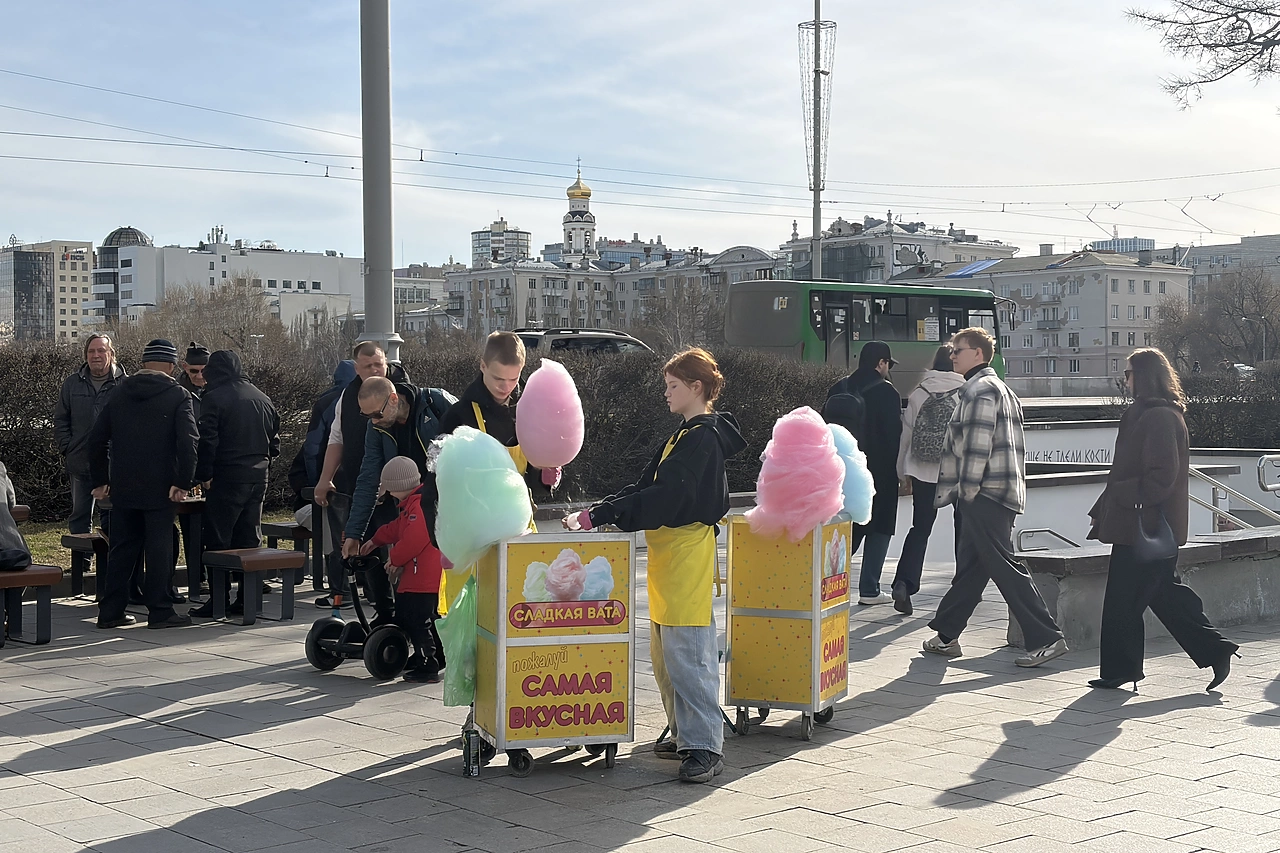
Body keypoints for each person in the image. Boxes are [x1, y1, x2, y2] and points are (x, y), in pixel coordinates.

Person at [568, 348, 746, 784]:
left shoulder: (701, 438)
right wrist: (605, 509)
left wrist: (607, 515)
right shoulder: (683, 436)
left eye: (673, 386)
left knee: (688, 655)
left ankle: (705, 744)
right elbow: (647, 486)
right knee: (668, 655)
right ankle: (687, 733)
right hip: (671, 557)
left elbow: (665, 497)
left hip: (686, 556)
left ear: (696, 388)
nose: (665, 394)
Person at [1087, 349, 1240, 692]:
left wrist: (1124, 494)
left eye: (1128, 373)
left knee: (1126, 600)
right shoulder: (1147, 413)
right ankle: (1213, 650)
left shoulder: (1159, 417)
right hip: (1144, 524)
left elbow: (1162, 476)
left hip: (1146, 523)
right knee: (1160, 594)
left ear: (1143, 375)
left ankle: (1123, 669)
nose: (1124, 380)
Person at [923, 327, 1068, 667]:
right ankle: (946, 634)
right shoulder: (998, 388)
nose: (952, 355)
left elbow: (977, 445)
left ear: (977, 353)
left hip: (983, 492)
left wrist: (968, 491)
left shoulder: (980, 390)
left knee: (1003, 565)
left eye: (958, 350)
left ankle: (1046, 638)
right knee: (974, 566)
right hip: (998, 491)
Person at [88, 339, 197, 629]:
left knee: (122, 549)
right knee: (159, 547)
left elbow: (96, 440)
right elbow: (188, 442)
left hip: (124, 486)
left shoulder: (119, 392)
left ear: (143, 363)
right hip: (162, 487)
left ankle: (110, 611)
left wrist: (100, 480)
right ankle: (160, 610)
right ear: (172, 366)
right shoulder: (178, 395)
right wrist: (182, 481)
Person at [341, 374, 455, 627]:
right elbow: (368, 478)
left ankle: (436, 631)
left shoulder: (435, 403)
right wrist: (354, 533)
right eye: (366, 416)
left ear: (393, 400)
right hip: (410, 504)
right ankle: (391, 616)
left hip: (446, 503)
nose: (373, 421)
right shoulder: (378, 427)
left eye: (376, 414)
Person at [189, 350, 281, 618]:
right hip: (258, 476)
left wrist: (203, 474)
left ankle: (218, 601)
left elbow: (208, 441)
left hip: (227, 477)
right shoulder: (262, 397)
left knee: (218, 540)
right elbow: (274, 442)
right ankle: (247, 598)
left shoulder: (215, 398)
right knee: (249, 538)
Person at [889, 344, 965, 615]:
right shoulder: (967, 391)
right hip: (957, 472)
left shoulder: (919, 392)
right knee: (963, 529)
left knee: (920, 529)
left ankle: (903, 583)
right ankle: (962, 586)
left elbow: (906, 436)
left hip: (923, 470)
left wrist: (903, 472)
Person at [438, 331, 562, 495]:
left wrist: (546, 475)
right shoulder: (459, 417)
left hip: (521, 517)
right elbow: (439, 485)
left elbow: (536, 484)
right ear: (483, 366)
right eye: (498, 379)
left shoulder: (532, 411)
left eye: (513, 379)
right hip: (476, 518)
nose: (505, 387)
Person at [827, 340, 902, 606]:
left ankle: (825, 581)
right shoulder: (887, 392)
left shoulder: (839, 387)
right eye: (887, 364)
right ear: (881, 363)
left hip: (842, 471)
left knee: (846, 527)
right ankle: (870, 589)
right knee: (880, 527)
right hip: (879, 470)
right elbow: (895, 437)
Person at [313, 343, 388, 608]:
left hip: (395, 492)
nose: (374, 369)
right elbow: (337, 438)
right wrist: (325, 478)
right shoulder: (347, 396)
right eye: (367, 366)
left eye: (378, 363)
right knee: (355, 544)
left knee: (389, 549)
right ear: (356, 368)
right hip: (357, 484)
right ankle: (367, 600)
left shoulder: (399, 391)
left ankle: (391, 603)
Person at [360, 456, 446, 683]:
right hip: (423, 575)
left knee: (415, 620)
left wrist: (395, 558)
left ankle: (428, 663)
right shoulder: (413, 504)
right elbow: (397, 528)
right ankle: (434, 655)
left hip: (422, 577)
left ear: (395, 486)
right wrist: (376, 540)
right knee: (427, 618)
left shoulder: (418, 506)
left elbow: (415, 538)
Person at [54, 332, 126, 536]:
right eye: (91, 351)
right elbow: (61, 419)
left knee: (112, 515)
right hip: (80, 460)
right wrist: (67, 447)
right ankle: (81, 565)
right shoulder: (71, 384)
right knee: (79, 516)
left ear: (111, 354)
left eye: (101, 350)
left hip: (114, 463)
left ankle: (111, 564)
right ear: (85, 355)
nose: (96, 355)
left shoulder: (124, 384)